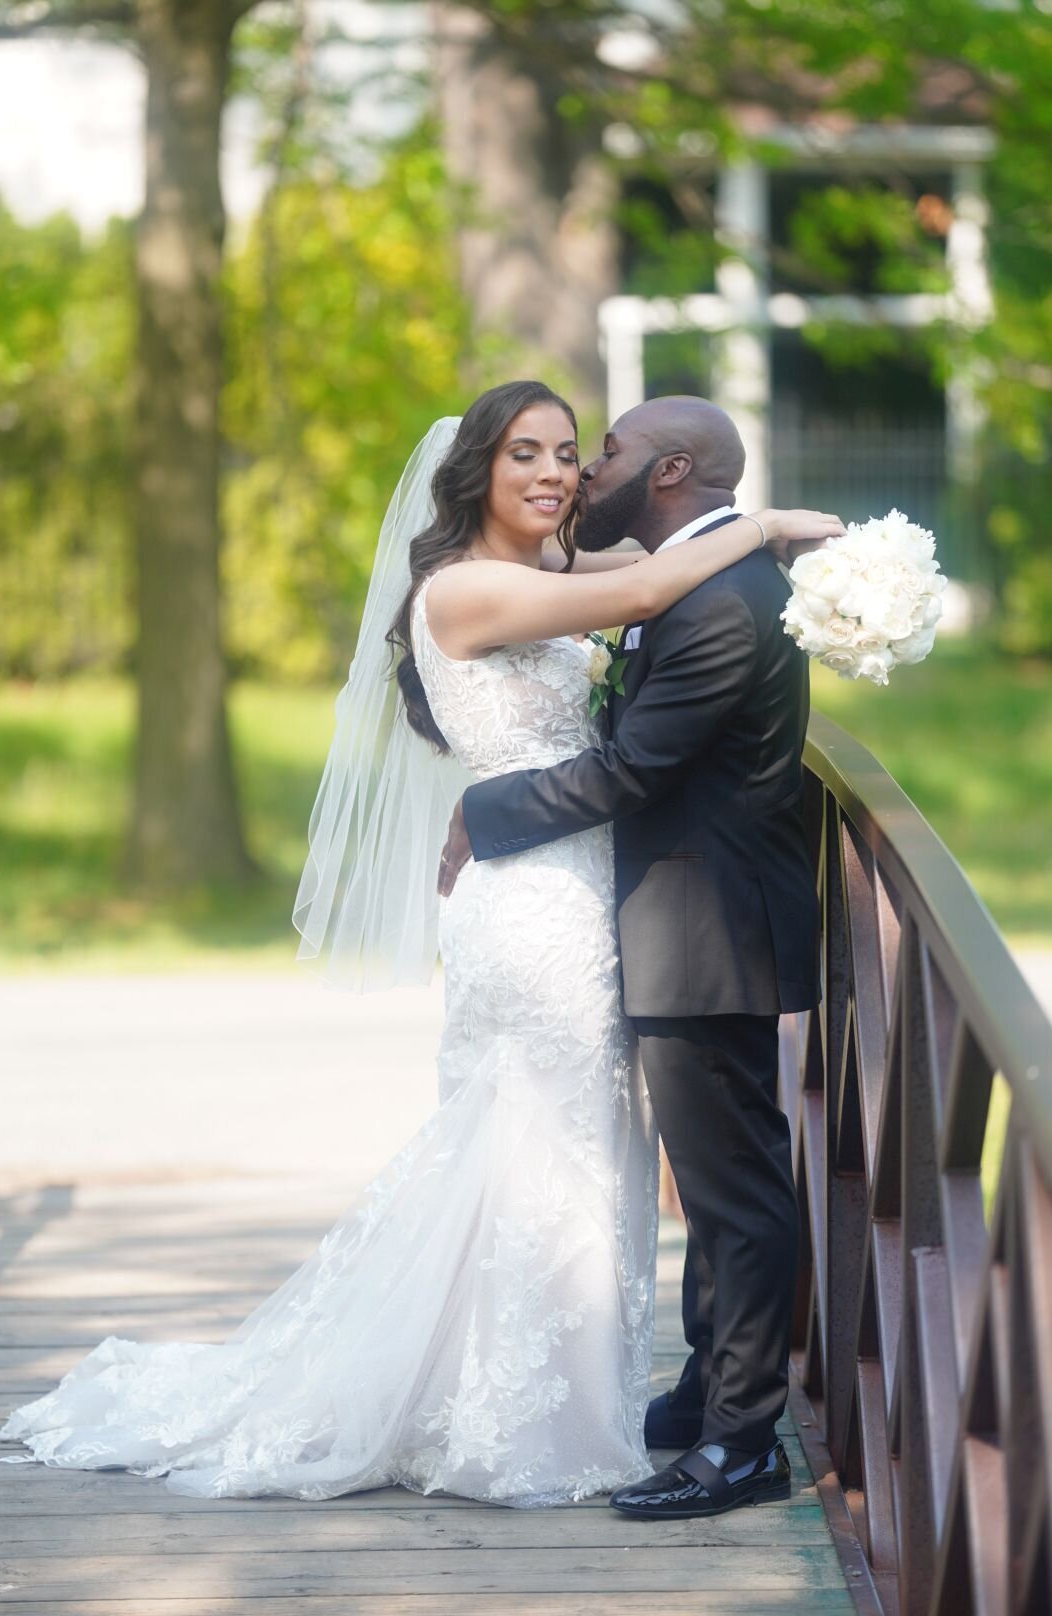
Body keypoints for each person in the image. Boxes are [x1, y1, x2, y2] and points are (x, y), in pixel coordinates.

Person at [0, 380, 840, 1508]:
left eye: (572, 450)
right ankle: (516, 1410)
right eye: (527, 454)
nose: (557, 473)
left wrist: (738, 533)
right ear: (474, 473)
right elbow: (647, 583)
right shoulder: (468, 587)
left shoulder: (543, 574)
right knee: (537, 1143)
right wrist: (773, 526)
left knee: (569, 1147)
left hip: (577, 888)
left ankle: (554, 1393)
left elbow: (639, 580)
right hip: (534, 904)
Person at [439, 392, 826, 1520]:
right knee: (715, 1190)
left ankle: (743, 1444)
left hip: (705, 935)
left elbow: (632, 770)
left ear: (668, 472)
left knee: (735, 1194)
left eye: (601, 450)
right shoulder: (691, 582)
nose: (585, 469)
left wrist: (487, 808)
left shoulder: (719, 597)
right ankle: (713, 1386)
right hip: (673, 926)